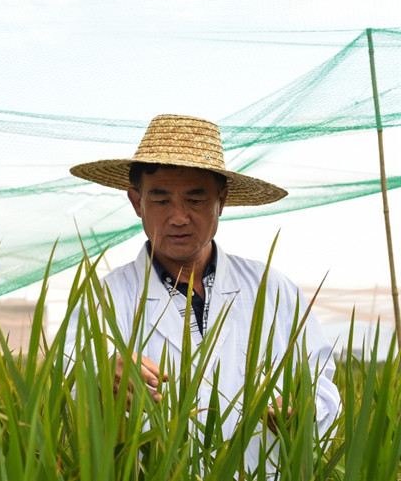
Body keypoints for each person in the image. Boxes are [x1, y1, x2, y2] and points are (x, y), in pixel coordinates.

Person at [66, 114, 340, 471]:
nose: (178, 217)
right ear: (137, 202)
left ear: (221, 201)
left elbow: (321, 383)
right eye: (161, 200)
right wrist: (101, 379)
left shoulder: (271, 289)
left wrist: (303, 407)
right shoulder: (103, 299)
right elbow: (66, 387)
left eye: (195, 200)